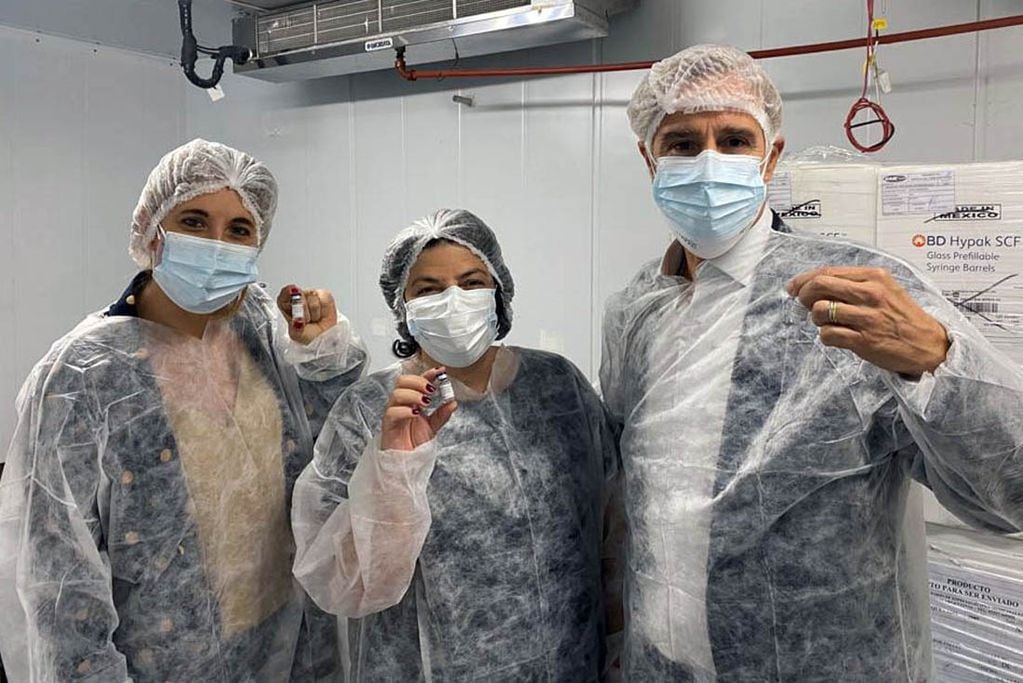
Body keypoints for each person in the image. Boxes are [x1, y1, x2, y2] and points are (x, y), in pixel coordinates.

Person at [601, 44, 1023, 680]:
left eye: (735, 139)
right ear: (648, 158)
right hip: (663, 666)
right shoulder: (636, 312)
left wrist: (936, 361)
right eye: (682, 143)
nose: (708, 161)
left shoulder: (861, 292)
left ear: (770, 156)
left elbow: (1009, 498)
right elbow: (633, 497)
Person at [0, 139, 368, 682]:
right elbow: (59, 581)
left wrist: (322, 361)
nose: (218, 245)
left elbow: (321, 474)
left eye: (239, 230)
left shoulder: (258, 332)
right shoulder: (83, 373)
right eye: (194, 221)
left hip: (285, 650)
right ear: (151, 230)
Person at [292, 209, 622, 681]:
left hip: (568, 664)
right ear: (402, 308)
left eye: (471, 283)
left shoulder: (558, 388)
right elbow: (341, 581)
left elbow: (614, 530)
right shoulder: (369, 412)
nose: (453, 301)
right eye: (428, 290)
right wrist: (392, 467)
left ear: (499, 292)